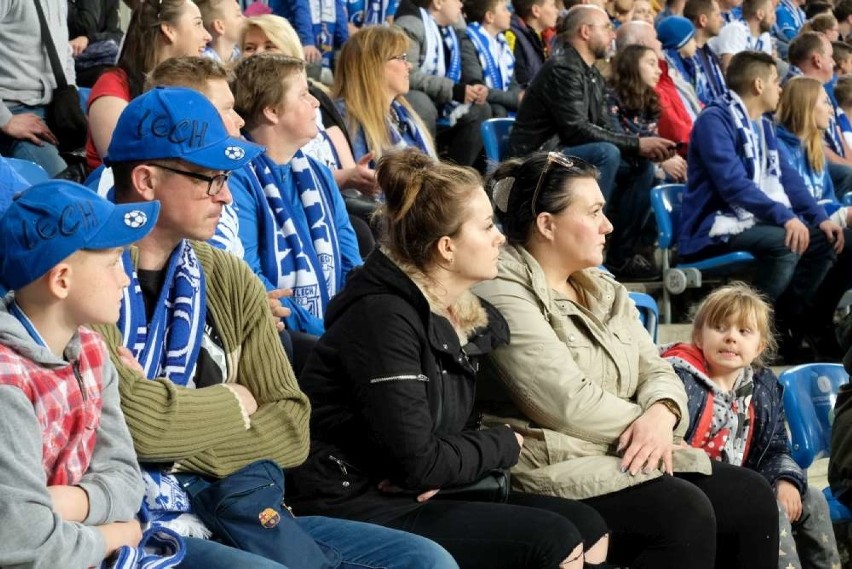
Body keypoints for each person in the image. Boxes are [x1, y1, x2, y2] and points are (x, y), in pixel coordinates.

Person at [97, 85, 459, 568]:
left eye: (226, 178)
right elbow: (130, 430)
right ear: (145, 179)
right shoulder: (87, 275)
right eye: (208, 178)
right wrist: (234, 402)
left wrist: (174, 438)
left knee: (425, 560)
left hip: (236, 504)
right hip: (134, 518)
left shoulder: (227, 276)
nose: (225, 194)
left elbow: (290, 426)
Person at [288, 147, 612, 569]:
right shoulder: (384, 319)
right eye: (486, 227)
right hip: (359, 498)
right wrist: (503, 443)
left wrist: (445, 463)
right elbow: (419, 462)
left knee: (589, 523)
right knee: (553, 539)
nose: (500, 237)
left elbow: (433, 448)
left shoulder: (455, 314)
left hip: (412, 487)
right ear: (446, 248)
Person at [474, 150, 780, 568]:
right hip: (552, 459)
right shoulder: (500, 287)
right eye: (595, 212)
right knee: (682, 512)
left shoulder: (603, 286)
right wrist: (647, 426)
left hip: (624, 448)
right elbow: (562, 400)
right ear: (547, 225)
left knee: (750, 496)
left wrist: (663, 413)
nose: (609, 226)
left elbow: (656, 367)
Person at [0, 180, 156, 567]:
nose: (125, 278)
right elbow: (24, 542)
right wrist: (114, 534)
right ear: (62, 280)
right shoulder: (7, 384)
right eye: (113, 261)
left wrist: (64, 503)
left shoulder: (91, 350)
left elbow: (126, 478)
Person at [661, 283, 841, 569]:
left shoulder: (763, 386)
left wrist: (786, 479)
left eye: (743, 331)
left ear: (759, 347)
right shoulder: (678, 376)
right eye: (720, 328)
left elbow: (775, 446)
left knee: (814, 499)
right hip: (694, 487)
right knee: (768, 506)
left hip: (748, 482)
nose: (731, 338)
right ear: (698, 336)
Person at [679, 51, 843, 360]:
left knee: (825, 239)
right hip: (712, 226)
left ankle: (793, 322)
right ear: (758, 84)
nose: (780, 89)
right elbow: (733, 185)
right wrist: (785, 217)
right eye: (776, 82)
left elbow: (790, 180)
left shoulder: (763, 126)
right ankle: (751, 328)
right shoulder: (714, 120)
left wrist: (819, 218)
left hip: (750, 222)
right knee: (786, 242)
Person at [510, 5, 675, 280]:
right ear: (585, 32)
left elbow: (604, 127)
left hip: (567, 153)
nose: (613, 34)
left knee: (639, 166)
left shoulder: (592, 73)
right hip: (539, 156)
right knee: (606, 153)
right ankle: (587, 236)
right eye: (607, 28)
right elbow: (576, 130)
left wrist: (640, 147)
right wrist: (637, 143)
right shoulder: (563, 68)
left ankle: (621, 256)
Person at [228, 53, 362, 337]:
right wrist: (326, 332)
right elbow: (252, 277)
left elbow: (352, 262)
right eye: (303, 94)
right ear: (272, 111)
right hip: (283, 334)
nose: (315, 102)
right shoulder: (238, 179)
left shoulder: (319, 173)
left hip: (337, 327)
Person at [775, 75, 852, 357]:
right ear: (807, 106)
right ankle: (793, 321)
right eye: (824, 103)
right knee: (834, 238)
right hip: (791, 228)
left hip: (817, 226)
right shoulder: (779, 147)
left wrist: (841, 215)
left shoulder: (814, 148)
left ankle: (819, 321)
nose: (831, 110)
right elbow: (788, 201)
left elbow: (827, 200)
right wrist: (842, 216)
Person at [85, 0, 211, 171]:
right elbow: (124, 166)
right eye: (198, 24)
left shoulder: (190, 86)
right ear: (169, 30)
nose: (207, 36)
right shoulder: (112, 85)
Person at [394, 0, 492, 167]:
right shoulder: (410, 24)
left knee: (482, 109)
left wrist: (474, 83)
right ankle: (423, 171)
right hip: (420, 99)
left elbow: (467, 63)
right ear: (438, 3)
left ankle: (457, 173)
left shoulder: (456, 31)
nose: (461, 6)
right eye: (457, 1)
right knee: (420, 102)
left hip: (446, 104)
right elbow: (407, 73)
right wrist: (453, 90)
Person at [333, 26, 436, 162]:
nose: (409, 65)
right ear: (373, 66)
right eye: (401, 58)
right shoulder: (346, 117)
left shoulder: (403, 114)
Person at [0, 0, 72, 176]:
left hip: (55, 109)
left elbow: (64, 51)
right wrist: (5, 120)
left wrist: (71, 99)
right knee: (62, 188)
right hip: (14, 109)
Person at [607, 44, 688, 181]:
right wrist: (660, 163)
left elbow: (653, 139)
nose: (659, 71)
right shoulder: (610, 97)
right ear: (632, 66)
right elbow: (619, 142)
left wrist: (669, 157)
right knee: (652, 171)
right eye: (651, 64)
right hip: (622, 166)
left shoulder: (650, 100)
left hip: (644, 163)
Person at [462, 0, 523, 118]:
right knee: (498, 111)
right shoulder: (469, 40)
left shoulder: (502, 43)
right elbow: (478, 86)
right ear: (490, 16)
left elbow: (513, 84)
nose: (509, 14)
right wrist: (516, 99)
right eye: (504, 9)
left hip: (502, 103)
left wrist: (518, 98)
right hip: (485, 106)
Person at [67, 0, 124, 87]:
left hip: (100, 59)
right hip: (69, 63)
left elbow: (117, 35)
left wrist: (89, 39)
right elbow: (87, 25)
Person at [708, 0, 775, 71]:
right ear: (760, 14)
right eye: (771, 11)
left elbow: (768, 70)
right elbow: (730, 70)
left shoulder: (764, 36)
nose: (774, 17)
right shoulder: (735, 30)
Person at [507, 0, 559, 88]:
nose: (557, 10)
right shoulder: (513, 36)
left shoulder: (545, 37)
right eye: (552, 5)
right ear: (536, 11)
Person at [684, 0, 728, 104]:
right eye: (717, 15)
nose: (722, 20)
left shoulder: (711, 55)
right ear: (703, 20)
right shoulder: (685, 58)